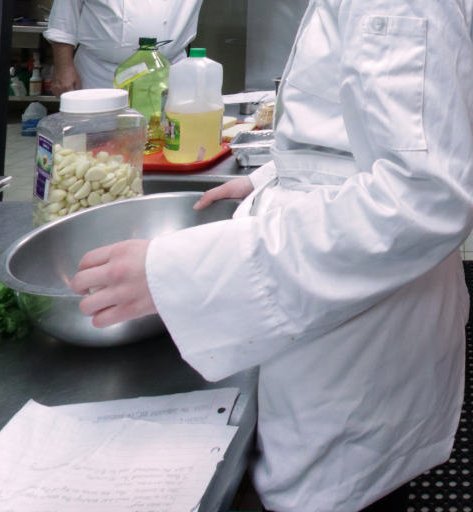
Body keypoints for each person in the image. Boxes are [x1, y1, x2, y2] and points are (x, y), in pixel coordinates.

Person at [70, 0, 473, 510]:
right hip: (347, 318)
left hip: (358, 340)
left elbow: (421, 199)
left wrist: (181, 275)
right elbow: (352, 132)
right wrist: (271, 179)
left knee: (337, 491)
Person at [43, 0, 204, 96]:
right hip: (100, 75)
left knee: (161, 138)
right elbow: (64, 16)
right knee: (97, 138)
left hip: (167, 74)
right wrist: (63, 68)